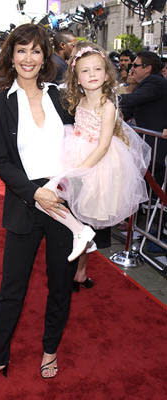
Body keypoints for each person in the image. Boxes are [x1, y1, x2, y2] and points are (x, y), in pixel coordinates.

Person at [0, 23, 79, 392]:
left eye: (36, 51)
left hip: (62, 203)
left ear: (46, 56)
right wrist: (34, 194)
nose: (28, 58)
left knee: (60, 285)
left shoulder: (61, 96)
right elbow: (0, 160)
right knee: (11, 289)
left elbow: (80, 144)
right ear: (10, 56)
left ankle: (49, 350)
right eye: (21, 50)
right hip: (25, 203)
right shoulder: (0, 103)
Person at [35, 41, 151, 267]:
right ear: (77, 78)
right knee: (45, 198)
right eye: (85, 71)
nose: (92, 75)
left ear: (107, 75)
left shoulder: (107, 105)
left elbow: (103, 145)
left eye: (98, 69)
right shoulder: (79, 101)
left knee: (70, 201)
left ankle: (82, 241)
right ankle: (80, 233)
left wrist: (78, 170)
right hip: (74, 152)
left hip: (97, 162)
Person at [120, 50, 167, 185]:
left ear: (147, 68)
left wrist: (105, 99)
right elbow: (128, 110)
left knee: (151, 190)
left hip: (155, 148)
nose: (132, 69)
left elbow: (134, 99)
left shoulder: (155, 82)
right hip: (148, 147)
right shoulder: (147, 84)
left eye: (135, 65)